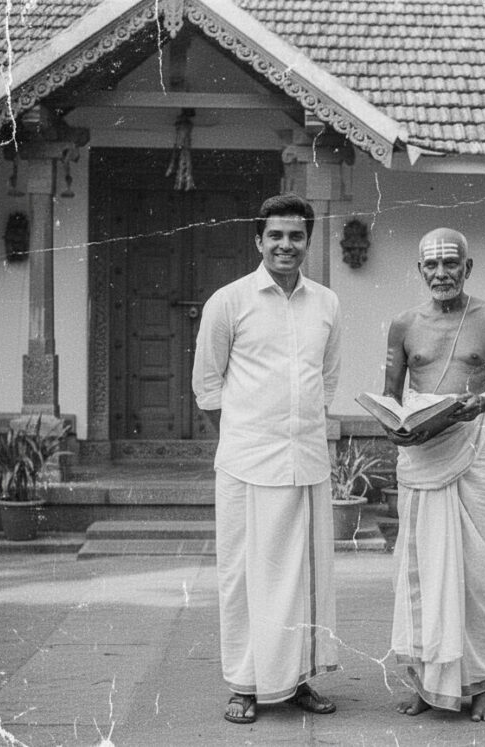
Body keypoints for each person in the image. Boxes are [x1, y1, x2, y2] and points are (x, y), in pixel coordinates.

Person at [192, 193, 341, 725]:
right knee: (244, 577)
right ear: (258, 240)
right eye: (275, 235)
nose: (285, 244)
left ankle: (297, 679)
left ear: (308, 241)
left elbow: (327, 381)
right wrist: (244, 438)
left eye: (296, 235)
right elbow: (207, 388)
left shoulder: (326, 303)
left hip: (306, 462)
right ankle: (245, 684)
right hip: (246, 465)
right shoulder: (229, 301)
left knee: (302, 578)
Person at [382, 227, 485, 722]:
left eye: (451, 264)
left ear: (468, 268)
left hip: (475, 447)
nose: (441, 273)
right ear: (420, 269)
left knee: (478, 573)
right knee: (422, 571)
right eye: (432, 264)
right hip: (424, 454)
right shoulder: (403, 324)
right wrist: (396, 429)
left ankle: (481, 686)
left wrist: (481, 402)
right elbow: (390, 398)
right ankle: (426, 685)